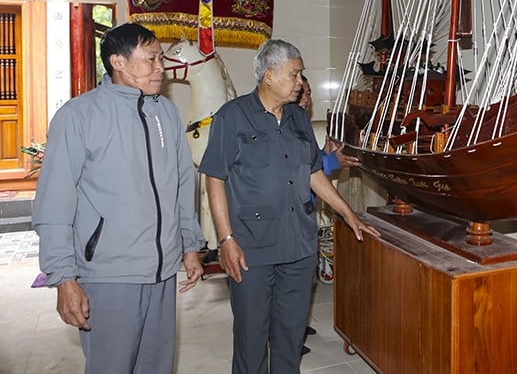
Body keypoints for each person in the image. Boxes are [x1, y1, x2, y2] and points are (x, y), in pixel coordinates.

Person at [32, 22, 206, 374]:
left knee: (156, 366)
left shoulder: (167, 114)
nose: (161, 67)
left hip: (161, 272)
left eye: (161, 58)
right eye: (151, 58)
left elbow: (181, 185)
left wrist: (190, 246)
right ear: (118, 62)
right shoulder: (78, 117)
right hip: (109, 275)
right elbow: (54, 202)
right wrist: (64, 278)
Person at [199, 38, 380, 374]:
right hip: (252, 246)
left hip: (299, 245)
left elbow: (313, 172)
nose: (300, 82)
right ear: (269, 75)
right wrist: (225, 240)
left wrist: (348, 213)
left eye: (301, 75)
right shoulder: (232, 117)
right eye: (294, 74)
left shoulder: (297, 118)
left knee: (290, 335)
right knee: (252, 338)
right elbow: (214, 178)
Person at [295, 74, 360, 355]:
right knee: (292, 281)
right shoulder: (289, 126)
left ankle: (295, 325)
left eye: (309, 92)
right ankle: (287, 336)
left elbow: (312, 162)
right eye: (304, 93)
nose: (308, 99)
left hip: (306, 208)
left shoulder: (302, 125)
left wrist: (326, 152)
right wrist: (333, 159)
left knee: (305, 275)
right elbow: (301, 169)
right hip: (294, 211)